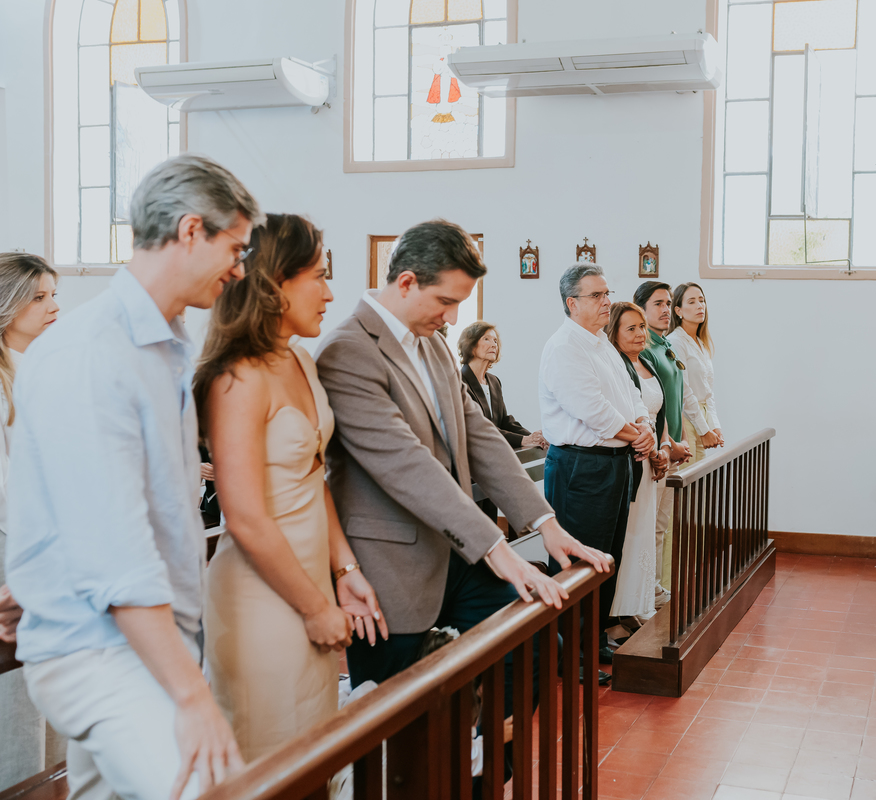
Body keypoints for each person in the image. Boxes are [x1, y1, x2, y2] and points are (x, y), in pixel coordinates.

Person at [5, 154, 261, 800]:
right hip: (99, 648)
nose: (239, 269)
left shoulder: (164, 342)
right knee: (210, 790)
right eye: (234, 247)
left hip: (150, 640)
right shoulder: (94, 352)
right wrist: (192, 697)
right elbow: (115, 552)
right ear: (190, 230)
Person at [315, 220, 607, 698]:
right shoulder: (347, 351)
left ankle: (478, 768)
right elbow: (406, 465)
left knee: (534, 645)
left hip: (455, 555)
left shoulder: (431, 343)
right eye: (447, 301)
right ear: (407, 282)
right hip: (391, 566)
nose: (453, 319)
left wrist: (545, 523)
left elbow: (479, 435)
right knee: (395, 716)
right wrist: (500, 550)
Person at [194, 214, 388, 764]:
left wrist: (345, 573)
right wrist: (311, 608)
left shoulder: (300, 358)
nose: (329, 293)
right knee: (268, 760)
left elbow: (313, 477)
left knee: (314, 754)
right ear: (274, 284)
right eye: (318, 277)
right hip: (261, 596)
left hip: (311, 584)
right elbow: (245, 516)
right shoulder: (237, 376)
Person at [539, 263, 656, 663]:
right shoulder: (563, 347)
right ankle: (568, 655)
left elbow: (631, 394)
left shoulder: (601, 344)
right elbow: (594, 411)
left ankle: (593, 643)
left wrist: (645, 426)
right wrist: (637, 434)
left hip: (614, 463)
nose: (607, 301)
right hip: (581, 467)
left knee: (607, 559)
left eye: (607, 294)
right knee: (579, 564)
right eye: (597, 296)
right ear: (572, 303)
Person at [0, 252, 59, 788]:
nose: (53, 307)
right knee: (15, 696)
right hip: (14, 548)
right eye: (38, 297)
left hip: (50, 547)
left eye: (53, 294)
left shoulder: (42, 367)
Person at [604, 303, 674, 622]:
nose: (640, 333)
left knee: (646, 531)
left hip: (650, 457)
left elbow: (656, 415)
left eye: (642, 326)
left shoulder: (646, 361)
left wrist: (660, 449)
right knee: (630, 534)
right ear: (614, 333)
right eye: (630, 328)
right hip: (631, 457)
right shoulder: (615, 365)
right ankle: (621, 611)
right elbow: (616, 414)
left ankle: (639, 600)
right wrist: (647, 445)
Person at [633, 281, 694, 604]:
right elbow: (649, 406)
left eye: (669, 303)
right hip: (656, 447)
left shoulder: (665, 346)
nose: (666, 310)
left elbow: (677, 399)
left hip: (671, 444)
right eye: (658, 303)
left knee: (660, 524)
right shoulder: (644, 348)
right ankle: (647, 589)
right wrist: (667, 445)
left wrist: (678, 441)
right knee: (650, 525)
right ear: (640, 308)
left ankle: (654, 585)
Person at [457, 321, 548, 525]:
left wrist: (534, 437)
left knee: (490, 518)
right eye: (486, 339)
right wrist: (524, 440)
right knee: (474, 525)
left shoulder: (494, 381)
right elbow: (480, 427)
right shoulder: (459, 381)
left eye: (495, 340)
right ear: (470, 344)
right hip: (470, 465)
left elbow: (505, 420)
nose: (493, 344)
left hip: (493, 464)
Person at [668, 282, 723, 464]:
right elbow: (683, 390)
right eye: (691, 302)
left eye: (702, 300)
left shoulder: (701, 342)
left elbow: (708, 391)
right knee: (686, 482)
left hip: (702, 419)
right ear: (678, 311)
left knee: (698, 484)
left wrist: (714, 426)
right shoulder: (676, 341)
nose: (700, 306)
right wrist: (703, 430)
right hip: (686, 419)